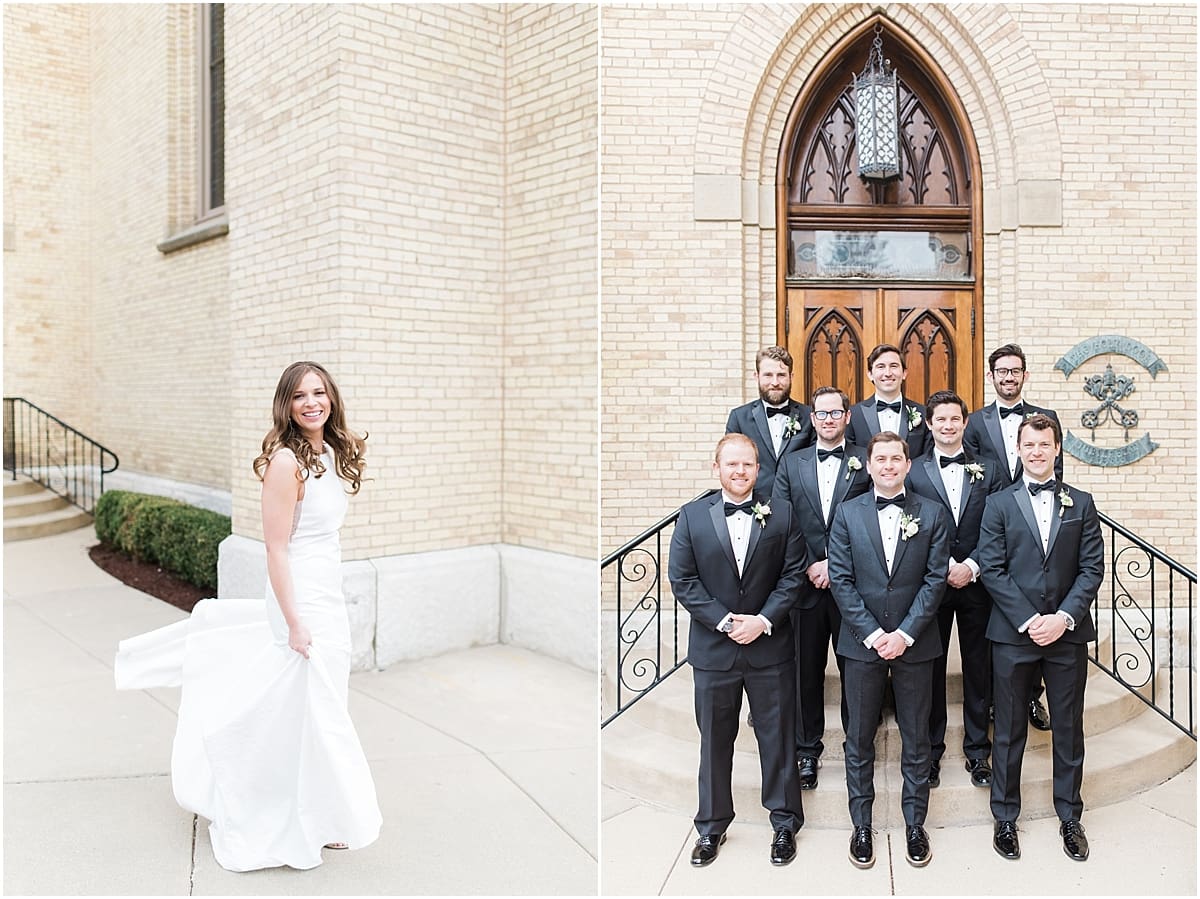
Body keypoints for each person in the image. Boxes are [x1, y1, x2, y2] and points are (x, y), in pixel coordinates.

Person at [116, 361, 382, 872]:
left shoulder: (328, 452)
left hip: (327, 593)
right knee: (308, 709)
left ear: (332, 399)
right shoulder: (287, 463)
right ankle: (285, 810)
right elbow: (277, 551)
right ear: (286, 404)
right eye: (300, 395)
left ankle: (324, 812)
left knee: (324, 707)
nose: (312, 402)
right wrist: (295, 621)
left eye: (320, 393)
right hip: (298, 599)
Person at [668, 433, 808, 868]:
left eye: (747, 464)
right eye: (732, 464)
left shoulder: (783, 514)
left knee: (778, 740)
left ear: (758, 468)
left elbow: (794, 574)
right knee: (714, 741)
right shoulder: (691, 517)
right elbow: (682, 579)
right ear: (717, 468)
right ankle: (711, 826)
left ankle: (784, 824)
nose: (740, 471)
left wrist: (763, 620)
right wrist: (726, 621)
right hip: (714, 652)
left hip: (770, 648)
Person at [977, 413, 1103, 863]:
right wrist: (1030, 619)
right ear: (1019, 450)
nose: (1035, 451)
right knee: (1008, 731)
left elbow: (1091, 569)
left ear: (1056, 449)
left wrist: (1064, 618)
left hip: (1067, 636)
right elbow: (991, 568)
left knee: (1068, 728)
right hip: (1014, 635)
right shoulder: (999, 503)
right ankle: (1005, 817)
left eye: (1043, 444)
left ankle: (1070, 814)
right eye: (1028, 445)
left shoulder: (1082, 503)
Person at [827, 432, 949, 870]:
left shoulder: (931, 514)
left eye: (896, 458)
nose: (888, 465)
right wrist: (874, 633)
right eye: (880, 459)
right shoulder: (846, 513)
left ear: (908, 464)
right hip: (862, 645)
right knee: (858, 738)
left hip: (916, 643)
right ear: (869, 464)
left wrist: (906, 633)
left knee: (917, 739)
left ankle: (915, 822)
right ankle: (861, 824)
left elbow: (936, 579)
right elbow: (841, 579)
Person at [772, 386, 871, 790]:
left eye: (836, 413)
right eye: (821, 414)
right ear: (812, 419)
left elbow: (873, 520)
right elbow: (782, 519)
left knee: (856, 671)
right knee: (805, 672)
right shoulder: (791, 463)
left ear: (848, 416)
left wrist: (837, 564)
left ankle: (857, 747)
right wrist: (813, 563)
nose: (829, 420)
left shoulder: (867, 460)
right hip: (806, 585)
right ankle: (807, 751)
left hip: (855, 586)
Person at [904, 390, 1004, 790]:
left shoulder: (990, 469)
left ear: (965, 423)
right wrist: (943, 566)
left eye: (954, 419)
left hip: (979, 584)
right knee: (930, 669)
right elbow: (909, 524)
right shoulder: (913, 472)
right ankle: (930, 751)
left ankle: (979, 750)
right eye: (940, 419)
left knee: (980, 668)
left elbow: (1000, 524)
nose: (948, 425)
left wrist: (973, 565)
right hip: (932, 585)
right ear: (929, 424)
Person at [964, 342, 1064, 732]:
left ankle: (1032, 698)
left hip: (1036, 539)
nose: (1008, 377)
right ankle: (994, 702)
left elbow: (1059, 477)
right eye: (1001, 371)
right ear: (991, 377)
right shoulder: (974, 421)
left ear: (1025, 375)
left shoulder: (1047, 418)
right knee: (996, 629)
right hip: (990, 533)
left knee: (1037, 613)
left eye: (1014, 370)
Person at [725, 346, 815, 498]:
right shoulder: (739, 417)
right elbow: (730, 462)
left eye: (781, 375)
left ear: (791, 377)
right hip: (754, 503)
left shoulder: (808, 416)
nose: (775, 382)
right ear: (756, 376)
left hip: (799, 505)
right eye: (768, 375)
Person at [845, 344, 930, 460]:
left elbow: (926, 458)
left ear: (904, 373)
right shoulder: (854, 415)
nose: (888, 373)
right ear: (870, 374)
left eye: (894, 366)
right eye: (881, 367)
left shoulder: (923, 413)